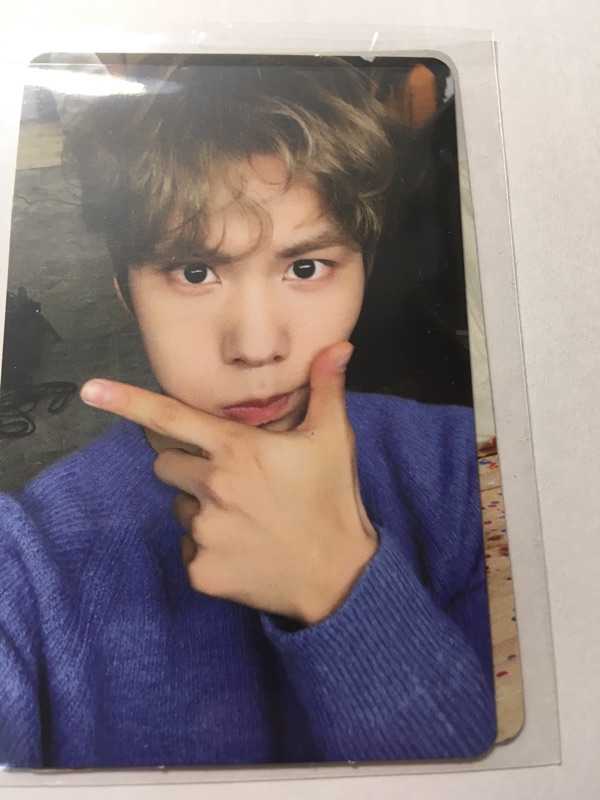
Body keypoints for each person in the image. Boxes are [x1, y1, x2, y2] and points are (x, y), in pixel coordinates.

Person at [0, 56, 496, 768]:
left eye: (306, 267)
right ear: (124, 291)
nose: (258, 347)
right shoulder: (27, 559)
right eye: (195, 272)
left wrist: (341, 588)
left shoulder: (474, 477)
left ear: (364, 266)